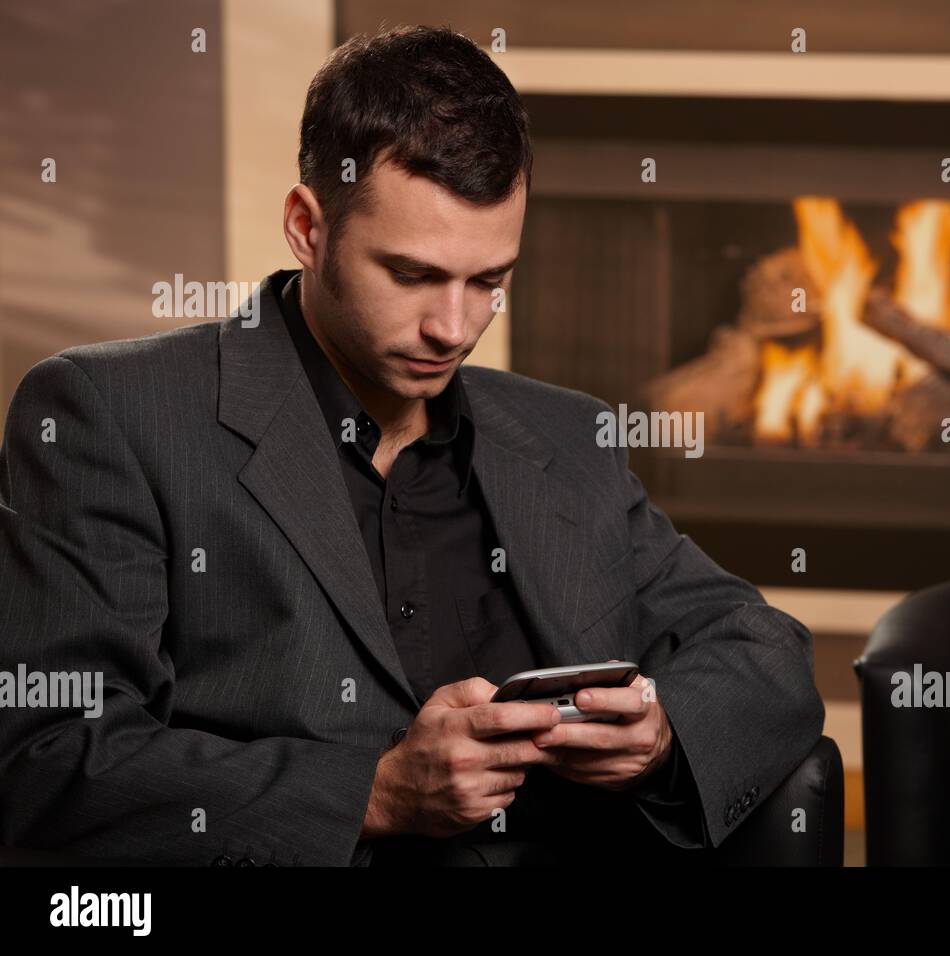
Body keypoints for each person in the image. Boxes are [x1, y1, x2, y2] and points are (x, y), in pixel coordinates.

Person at [0, 25, 823, 866]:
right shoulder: (112, 414)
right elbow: (48, 758)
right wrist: (374, 793)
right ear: (306, 226)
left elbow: (767, 648)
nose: (453, 327)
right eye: (413, 275)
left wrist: (660, 735)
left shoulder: (567, 436)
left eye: (489, 282)